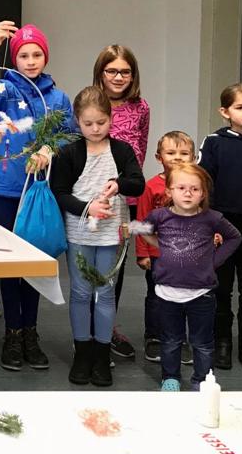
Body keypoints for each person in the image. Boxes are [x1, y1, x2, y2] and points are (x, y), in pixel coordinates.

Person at [0, 20, 76, 372]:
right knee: (12, 263)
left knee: (35, 260)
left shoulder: (57, 97)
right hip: (8, 188)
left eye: (36, 54)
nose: (30, 60)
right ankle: (12, 332)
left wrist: (48, 149)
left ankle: (31, 331)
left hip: (41, 189)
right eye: (23, 54)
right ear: (14, 58)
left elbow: (68, 135)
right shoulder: (0, 90)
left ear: (45, 57)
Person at [50, 86, 144, 387]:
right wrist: (87, 208)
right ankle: (83, 351)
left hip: (110, 234)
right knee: (79, 291)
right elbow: (60, 193)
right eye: (88, 123)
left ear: (110, 119)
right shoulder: (69, 153)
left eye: (101, 123)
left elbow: (137, 184)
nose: (94, 129)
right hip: (79, 233)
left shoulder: (122, 151)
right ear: (77, 120)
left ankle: (102, 355)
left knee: (104, 291)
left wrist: (118, 184)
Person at [140, 163, 241, 391]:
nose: (188, 193)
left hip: (201, 294)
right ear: (169, 191)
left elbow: (234, 237)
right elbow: (141, 229)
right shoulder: (160, 216)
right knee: (171, 341)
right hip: (167, 294)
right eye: (181, 187)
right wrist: (160, 246)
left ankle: (201, 381)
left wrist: (213, 261)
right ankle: (170, 377)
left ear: (203, 193)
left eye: (195, 189)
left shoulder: (212, 218)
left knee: (203, 343)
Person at [93, 44, 150, 359]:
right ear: (101, 72)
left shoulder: (141, 107)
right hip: (92, 199)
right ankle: (86, 330)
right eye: (111, 70)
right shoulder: (90, 103)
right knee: (89, 264)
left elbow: (139, 153)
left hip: (124, 200)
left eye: (124, 72)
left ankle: (107, 328)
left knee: (115, 267)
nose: (118, 77)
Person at [136, 131, 196, 364]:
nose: (178, 157)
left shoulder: (196, 186)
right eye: (171, 153)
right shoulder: (151, 187)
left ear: (193, 157)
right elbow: (142, 222)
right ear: (158, 156)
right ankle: (154, 337)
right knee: (156, 296)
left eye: (184, 153)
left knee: (184, 296)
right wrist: (143, 253)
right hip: (158, 254)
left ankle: (179, 339)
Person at [199, 82, 242, 369]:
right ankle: (222, 341)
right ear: (225, 111)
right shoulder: (214, 142)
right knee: (221, 286)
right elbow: (204, 183)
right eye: (240, 107)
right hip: (224, 225)